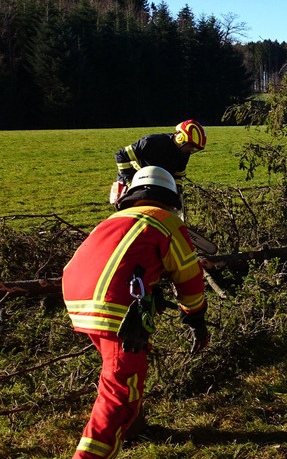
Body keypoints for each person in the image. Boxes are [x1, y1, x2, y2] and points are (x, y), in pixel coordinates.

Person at [63, 166, 210, 458]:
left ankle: (126, 432)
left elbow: (119, 260)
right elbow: (189, 274)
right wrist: (195, 315)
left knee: (115, 375)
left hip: (78, 300)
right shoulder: (165, 220)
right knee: (121, 392)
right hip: (115, 307)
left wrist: (149, 290)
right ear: (171, 197)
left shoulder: (113, 220)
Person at [110, 120, 207, 205]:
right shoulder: (150, 142)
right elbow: (121, 155)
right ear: (180, 138)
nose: (192, 150)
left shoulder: (184, 153)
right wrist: (130, 181)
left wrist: (177, 191)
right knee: (123, 203)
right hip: (133, 175)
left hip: (157, 180)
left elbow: (178, 175)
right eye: (191, 146)